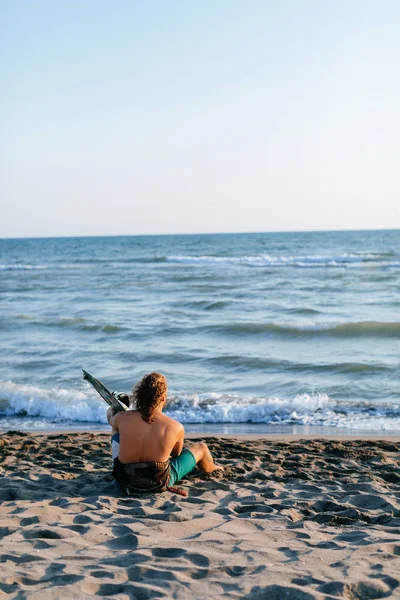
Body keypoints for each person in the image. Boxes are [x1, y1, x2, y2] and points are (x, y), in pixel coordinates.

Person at [107, 372, 219, 495]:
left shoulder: (122, 417)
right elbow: (176, 453)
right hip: (157, 483)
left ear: (139, 394)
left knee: (116, 427)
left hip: (124, 480)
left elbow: (110, 415)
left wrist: (117, 409)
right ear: (163, 398)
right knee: (201, 448)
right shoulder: (175, 427)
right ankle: (213, 470)